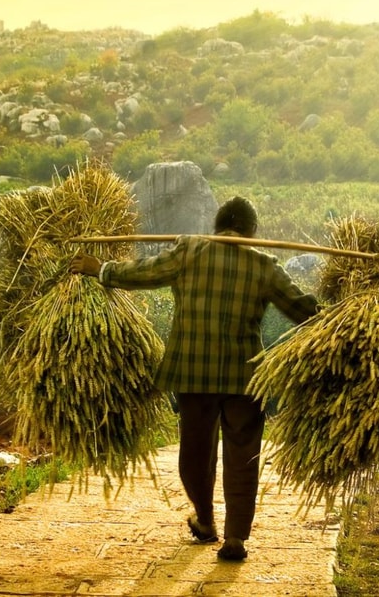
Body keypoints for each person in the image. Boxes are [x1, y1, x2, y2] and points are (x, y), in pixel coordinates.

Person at [70, 196, 319, 561]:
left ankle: (205, 520)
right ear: (251, 233)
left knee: (196, 454)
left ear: (216, 227)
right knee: (243, 456)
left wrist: (101, 269)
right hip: (244, 377)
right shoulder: (264, 265)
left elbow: (144, 273)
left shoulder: (189, 250)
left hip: (193, 373)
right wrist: (352, 315)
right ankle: (235, 537)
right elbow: (304, 310)